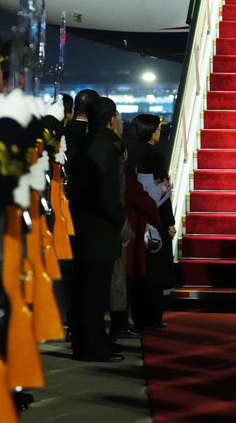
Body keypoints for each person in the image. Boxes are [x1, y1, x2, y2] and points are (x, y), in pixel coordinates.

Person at [68, 96, 127, 362]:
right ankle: (91, 347)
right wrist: (119, 217)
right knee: (94, 293)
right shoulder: (104, 147)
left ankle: (91, 341)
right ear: (112, 119)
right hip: (99, 229)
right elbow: (107, 195)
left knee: (85, 290)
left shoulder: (86, 142)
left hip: (83, 225)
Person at [125, 113, 175, 329]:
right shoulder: (155, 155)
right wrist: (169, 222)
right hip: (154, 218)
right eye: (157, 128)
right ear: (150, 131)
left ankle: (137, 316)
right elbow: (163, 192)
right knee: (155, 269)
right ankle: (152, 318)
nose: (160, 131)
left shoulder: (129, 153)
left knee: (137, 267)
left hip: (134, 216)